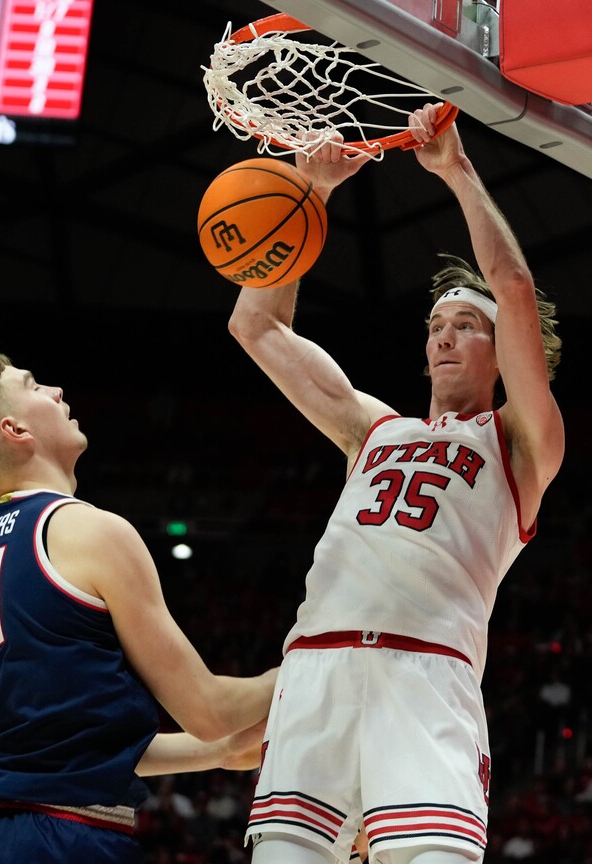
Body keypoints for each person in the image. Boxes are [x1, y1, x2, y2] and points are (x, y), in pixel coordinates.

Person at [227, 102, 564, 864]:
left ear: (502, 352)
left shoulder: (520, 443)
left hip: (427, 675)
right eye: (436, 324)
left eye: (466, 326)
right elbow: (258, 328)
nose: (445, 332)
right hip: (314, 668)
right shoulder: (372, 428)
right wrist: (308, 194)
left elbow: (511, 284)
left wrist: (456, 170)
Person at [0, 354, 277, 863]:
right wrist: (312, 658)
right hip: (64, 839)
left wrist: (214, 754)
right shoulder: (89, 530)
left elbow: (62, 747)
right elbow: (209, 710)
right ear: (15, 428)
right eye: (33, 384)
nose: (57, 390)